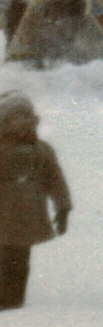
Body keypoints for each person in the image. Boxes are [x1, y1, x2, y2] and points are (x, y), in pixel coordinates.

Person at [0, 92, 71, 311]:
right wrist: (63, 207)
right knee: (12, 258)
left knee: (16, 258)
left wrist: (63, 207)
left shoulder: (40, 151)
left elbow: (55, 179)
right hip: (14, 215)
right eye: (16, 117)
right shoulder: (31, 150)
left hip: (19, 215)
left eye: (25, 117)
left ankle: (11, 298)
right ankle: (10, 297)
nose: (21, 123)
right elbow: (55, 180)